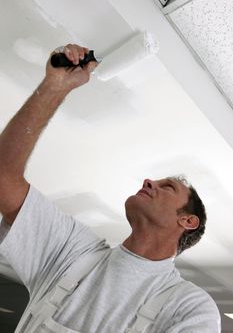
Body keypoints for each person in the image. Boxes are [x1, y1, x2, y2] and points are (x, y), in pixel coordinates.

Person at [0, 44, 221, 332]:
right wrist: (55, 87)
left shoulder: (187, 306)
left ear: (188, 220)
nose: (148, 181)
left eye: (167, 186)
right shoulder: (71, 252)